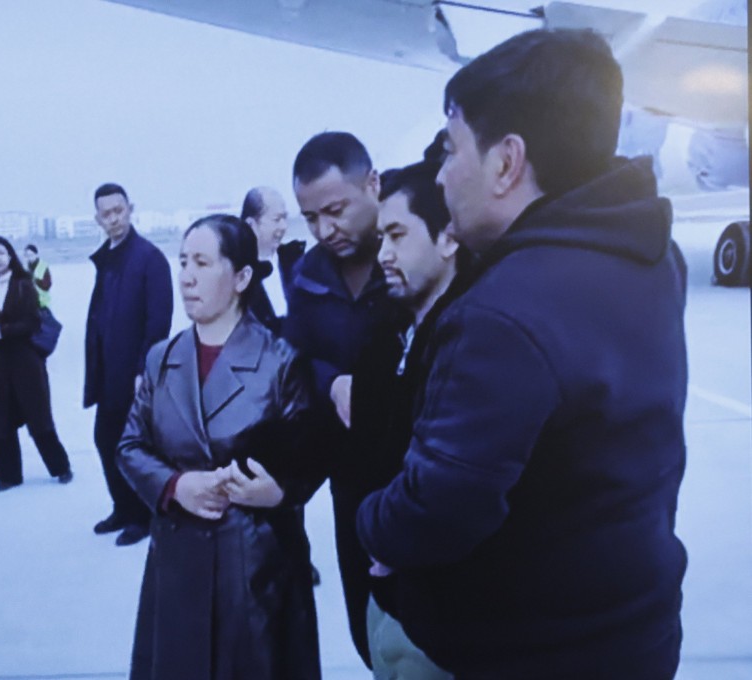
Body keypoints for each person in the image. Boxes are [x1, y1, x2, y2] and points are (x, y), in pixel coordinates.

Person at [357, 29, 688, 679]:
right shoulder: (647, 254)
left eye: (453, 151)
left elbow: (438, 508)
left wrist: (373, 525)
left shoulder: (501, 315)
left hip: (528, 653)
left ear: (507, 163)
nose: (444, 175)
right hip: (633, 633)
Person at [118, 214, 320, 680]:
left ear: (242, 277)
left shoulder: (279, 361)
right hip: (178, 562)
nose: (186, 276)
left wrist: (281, 491)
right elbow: (130, 444)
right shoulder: (162, 359)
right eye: (183, 261)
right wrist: (175, 485)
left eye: (203, 263)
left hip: (254, 569)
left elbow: (309, 457)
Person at [284, 131, 400, 666]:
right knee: (365, 625)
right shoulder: (307, 274)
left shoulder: (416, 245)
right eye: (310, 218)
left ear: (371, 184)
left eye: (335, 210)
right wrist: (331, 380)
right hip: (349, 478)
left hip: (419, 471)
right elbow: (299, 354)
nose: (325, 230)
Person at [350, 159, 466, 680]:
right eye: (380, 237)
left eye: (397, 234)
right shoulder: (389, 331)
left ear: (448, 238)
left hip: (441, 613)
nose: (384, 254)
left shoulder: (471, 345)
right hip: (387, 592)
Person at [85, 183, 173, 546]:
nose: (113, 219)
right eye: (106, 214)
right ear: (97, 218)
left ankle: (142, 516)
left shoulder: (149, 258)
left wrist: (144, 369)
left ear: (130, 208)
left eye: (118, 210)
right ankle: (122, 507)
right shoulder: (106, 258)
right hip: (107, 371)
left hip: (134, 373)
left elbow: (158, 321)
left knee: (133, 446)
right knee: (104, 440)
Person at [0, 235, 73, 490]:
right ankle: (9, 474)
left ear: (10, 255)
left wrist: (3, 331)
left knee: (38, 417)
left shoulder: (23, 284)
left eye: (1, 252)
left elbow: (32, 322)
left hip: (25, 358)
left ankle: (60, 467)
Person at [240, 186, 305, 334]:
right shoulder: (235, 275)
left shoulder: (298, 262)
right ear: (251, 224)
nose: (284, 226)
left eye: (284, 218)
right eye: (276, 219)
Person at [23, 244, 52, 310]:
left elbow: (47, 285)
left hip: (42, 303)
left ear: (36, 254)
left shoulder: (43, 266)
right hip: (29, 303)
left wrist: (35, 280)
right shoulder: (26, 267)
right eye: (27, 256)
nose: (29, 258)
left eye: (31, 255)